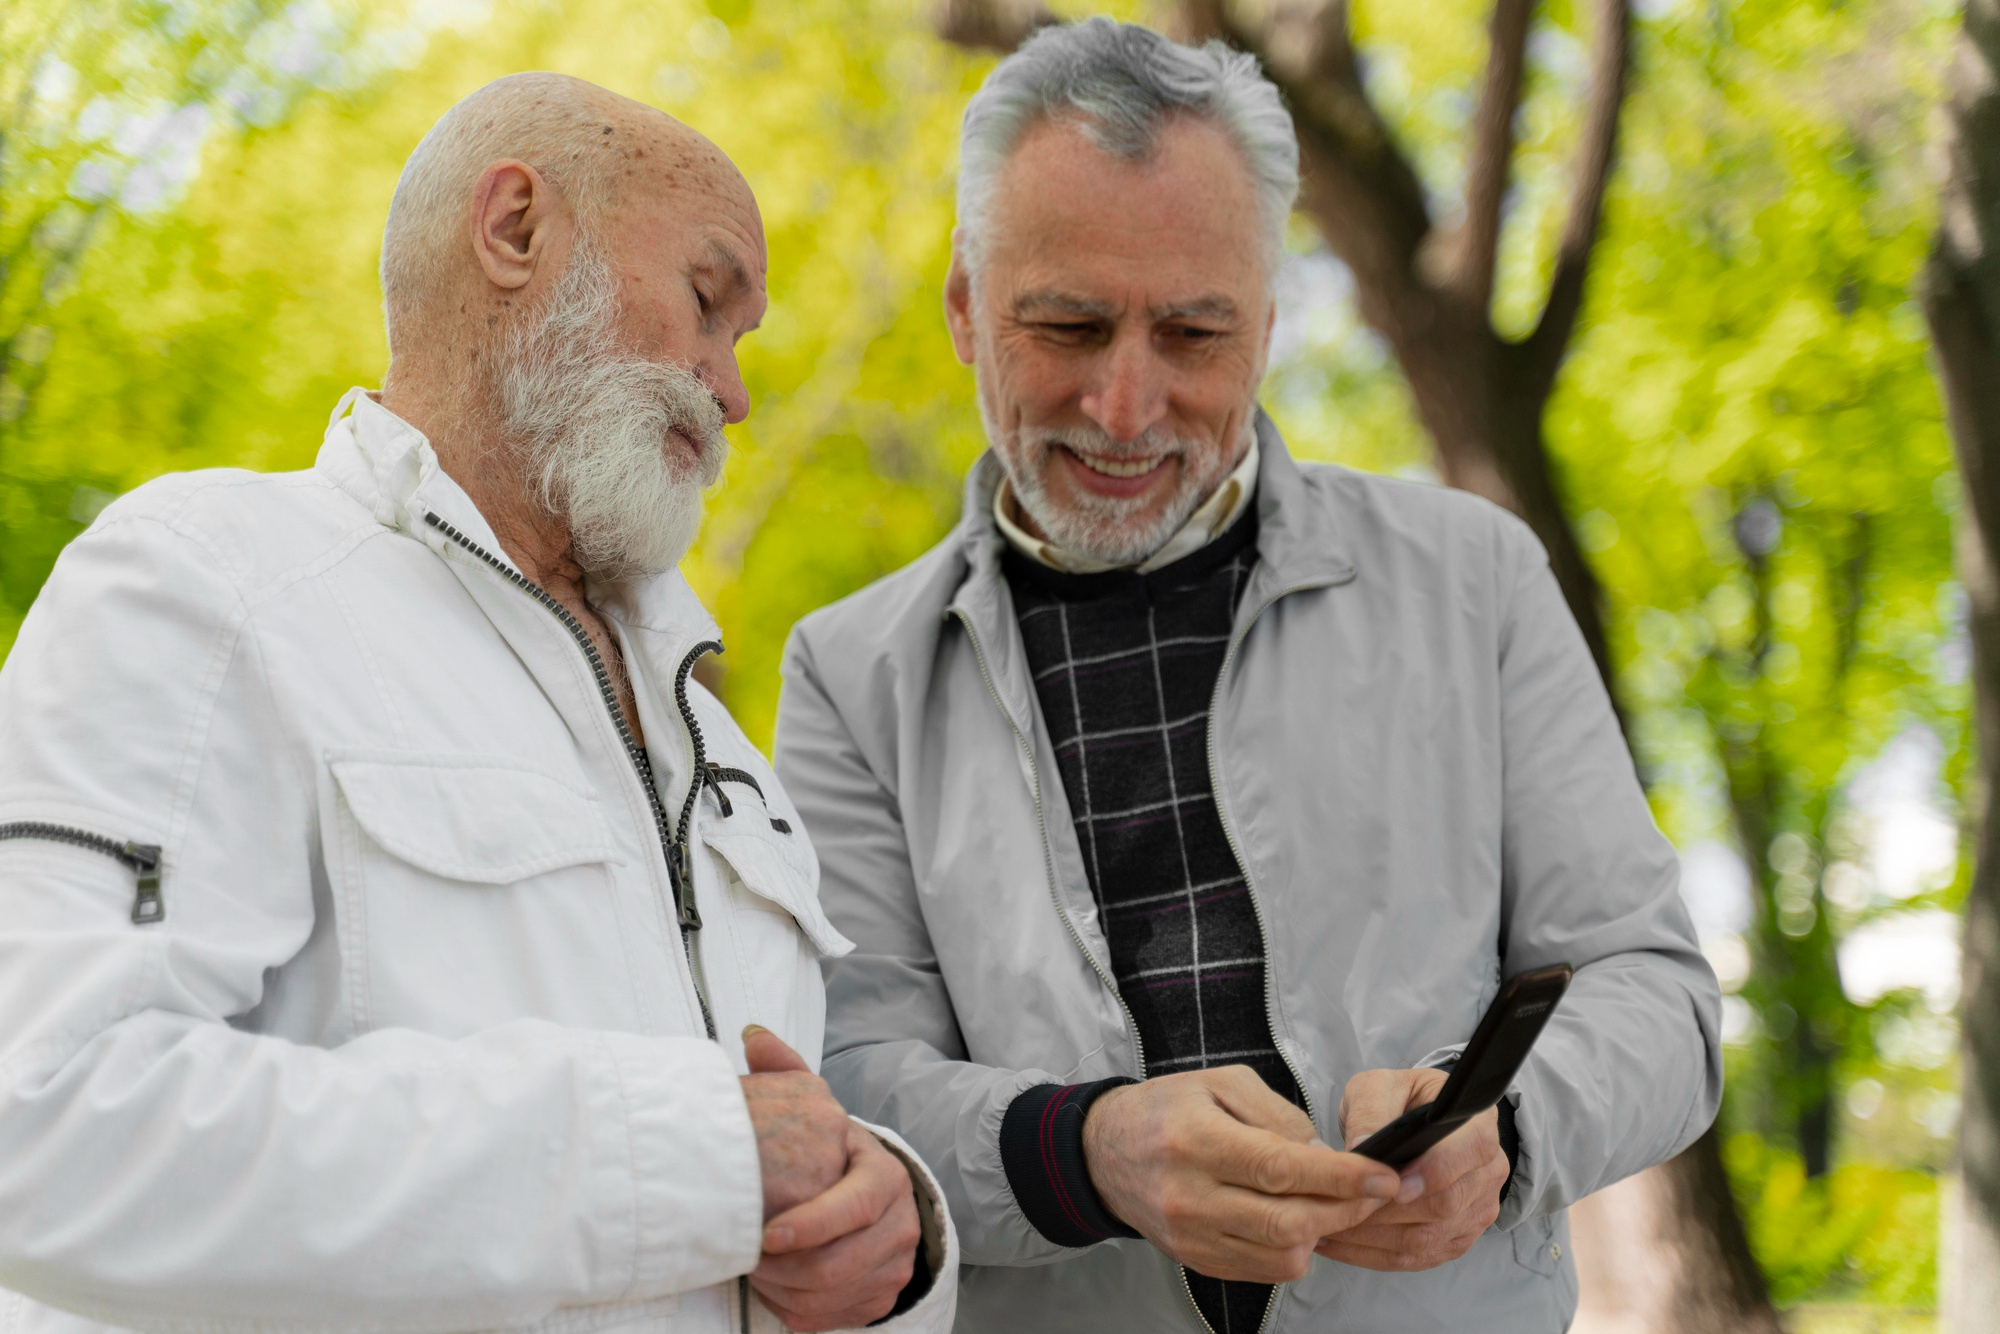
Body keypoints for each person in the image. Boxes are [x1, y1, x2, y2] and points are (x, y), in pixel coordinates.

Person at [774, 19, 1722, 1333]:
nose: (1125, 405)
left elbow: (1657, 996)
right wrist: (1083, 1149)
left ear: (1266, 326)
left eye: (1193, 333)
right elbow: (849, 1076)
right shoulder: (848, 673)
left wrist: (1507, 1128)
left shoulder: (1478, 577)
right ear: (963, 308)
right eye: (1067, 324)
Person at [0, 73, 954, 1334]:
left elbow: (778, 1152)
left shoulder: (724, 753)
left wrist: (892, 1235)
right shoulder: (204, 578)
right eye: (706, 301)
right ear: (514, 228)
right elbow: (45, 1123)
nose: (732, 392)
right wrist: (689, 1160)